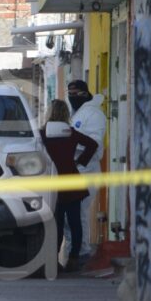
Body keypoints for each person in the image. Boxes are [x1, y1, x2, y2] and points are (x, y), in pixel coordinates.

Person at [42, 99, 98, 272]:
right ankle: (74, 258)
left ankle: (54, 259)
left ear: (49, 113)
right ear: (66, 113)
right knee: (75, 223)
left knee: (56, 223)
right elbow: (92, 144)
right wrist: (79, 162)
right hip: (72, 180)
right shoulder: (70, 132)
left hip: (53, 182)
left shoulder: (42, 134)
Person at [66, 79, 107, 260]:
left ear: (84, 93)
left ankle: (81, 253)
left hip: (87, 170)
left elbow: (94, 144)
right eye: (70, 94)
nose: (72, 97)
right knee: (71, 216)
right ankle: (73, 252)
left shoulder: (94, 114)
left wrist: (75, 154)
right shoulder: (78, 113)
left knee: (78, 213)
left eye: (75, 94)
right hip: (75, 171)